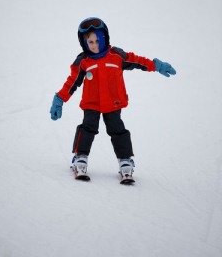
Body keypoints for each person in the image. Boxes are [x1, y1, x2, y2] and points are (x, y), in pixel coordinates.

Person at [50, 17, 176, 181]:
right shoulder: (83, 62)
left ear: (104, 38)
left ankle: (125, 161)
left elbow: (137, 61)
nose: (94, 46)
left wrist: (156, 65)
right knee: (88, 128)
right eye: (90, 42)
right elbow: (71, 83)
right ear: (84, 43)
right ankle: (80, 158)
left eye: (97, 41)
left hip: (113, 102)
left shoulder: (117, 56)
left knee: (117, 130)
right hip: (92, 104)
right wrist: (59, 99)